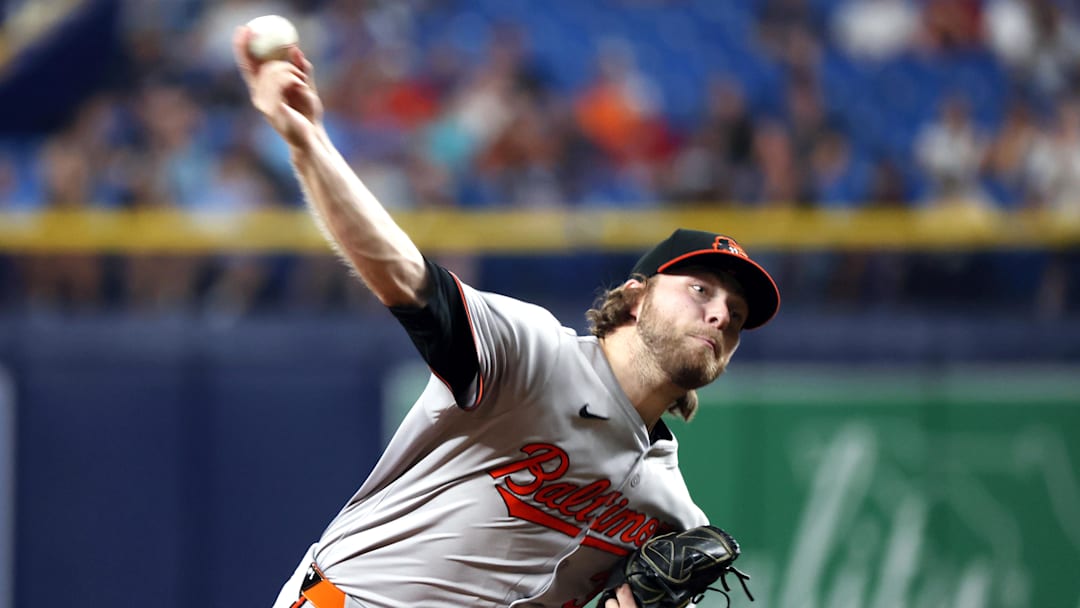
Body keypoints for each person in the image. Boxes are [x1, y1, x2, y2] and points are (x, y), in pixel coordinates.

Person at [233, 24, 780, 608]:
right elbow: (398, 269)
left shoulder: (672, 511)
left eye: (738, 312)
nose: (721, 314)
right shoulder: (531, 354)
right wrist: (307, 140)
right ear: (637, 297)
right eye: (700, 290)